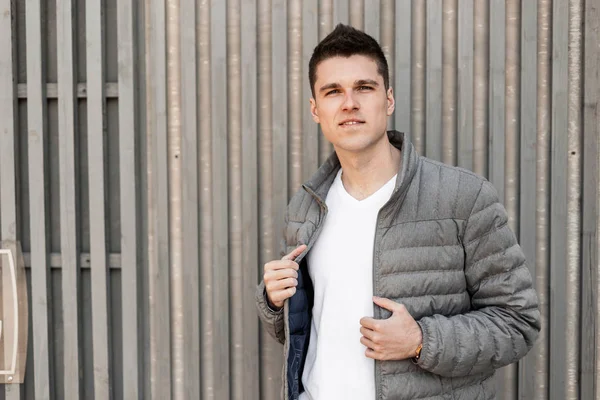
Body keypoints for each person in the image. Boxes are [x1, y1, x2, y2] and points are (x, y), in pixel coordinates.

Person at [256, 23, 540, 400]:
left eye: (364, 87)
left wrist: (422, 340)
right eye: (333, 91)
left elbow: (518, 322)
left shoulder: (464, 198)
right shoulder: (306, 207)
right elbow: (306, 331)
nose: (349, 103)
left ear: (388, 99)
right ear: (315, 109)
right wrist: (275, 303)